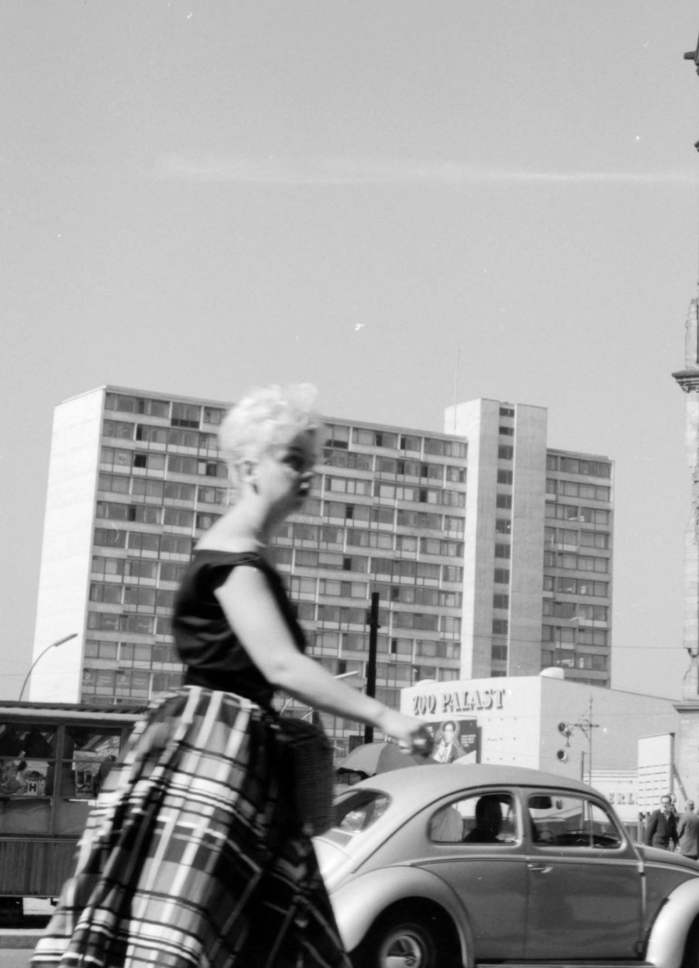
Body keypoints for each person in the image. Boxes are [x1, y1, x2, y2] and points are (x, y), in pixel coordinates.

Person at [33, 385, 428, 968]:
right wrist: (385, 715)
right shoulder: (234, 559)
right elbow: (281, 666)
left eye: (309, 463)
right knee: (194, 926)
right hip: (216, 757)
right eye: (293, 461)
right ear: (248, 467)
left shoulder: (243, 554)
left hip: (231, 759)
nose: (306, 477)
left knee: (246, 928)